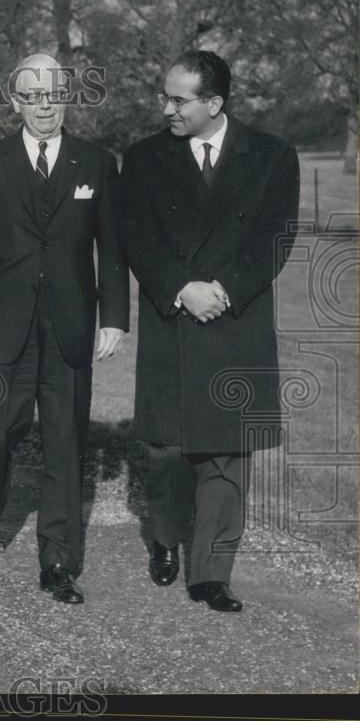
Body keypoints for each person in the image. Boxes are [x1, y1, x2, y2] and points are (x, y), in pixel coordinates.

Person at [118, 50, 300, 612]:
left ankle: (211, 572)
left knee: (228, 451)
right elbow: (136, 236)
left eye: (178, 99)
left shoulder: (272, 154)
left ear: (215, 103)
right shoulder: (145, 157)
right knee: (168, 449)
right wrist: (181, 288)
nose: (165, 108)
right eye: (164, 96)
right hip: (172, 314)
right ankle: (167, 542)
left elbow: (277, 234)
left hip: (234, 319)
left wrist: (224, 289)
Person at [0, 53, 129, 604]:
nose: (44, 105)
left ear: (66, 97)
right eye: (32, 95)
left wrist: (115, 318)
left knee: (65, 443)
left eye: (53, 94)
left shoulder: (95, 162)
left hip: (71, 324)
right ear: (15, 100)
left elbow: (111, 248)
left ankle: (57, 559)